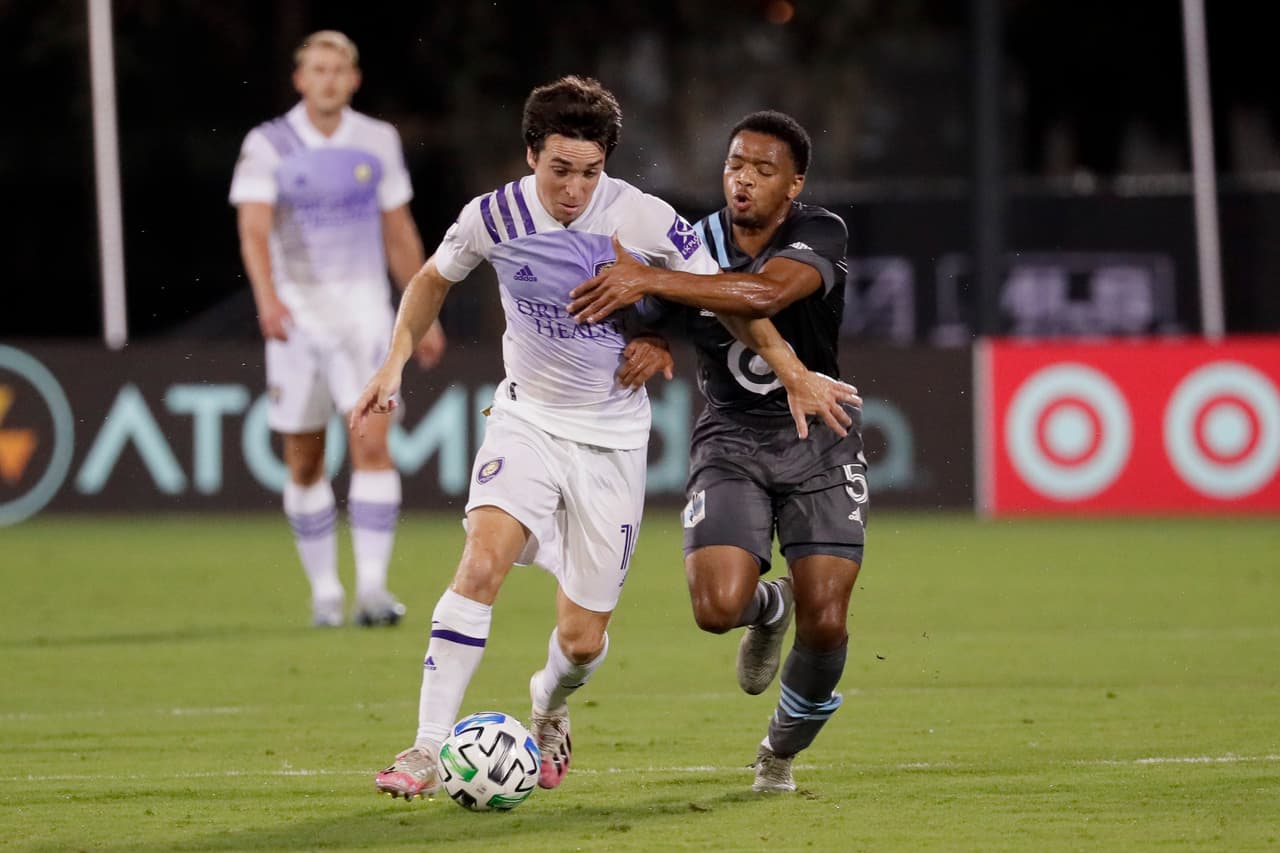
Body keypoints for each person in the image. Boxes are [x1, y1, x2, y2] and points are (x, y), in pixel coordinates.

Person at [350, 78, 859, 800]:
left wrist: (793, 372)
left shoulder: (644, 218)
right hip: (526, 417)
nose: (574, 189)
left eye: (590, 172)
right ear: (531, 156)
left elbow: (732, 302)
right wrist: (394, 357)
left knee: (583, 641)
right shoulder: (492, 215)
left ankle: (549, 705)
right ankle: (428, 746)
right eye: (560, 170)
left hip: (612, 438)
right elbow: (432, 280)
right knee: (481, 562)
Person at [568, 110, 867, 793]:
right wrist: (647, 338)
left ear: (794, 184)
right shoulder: (688, 241)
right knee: (715, 608)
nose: (744, 180)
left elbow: (761, 294)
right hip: (731, 438)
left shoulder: (819, 231)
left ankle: (779, 751)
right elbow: (643, 317)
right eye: (735, 164)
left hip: (818, 434)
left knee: (829, 619)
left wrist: (654, 279)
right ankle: (769, 607)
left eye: (764, 171)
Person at [229, 30, 446, 629]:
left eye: (338, 70)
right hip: (298, 319)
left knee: (373, 446)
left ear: (353, 79)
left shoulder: (377, 140)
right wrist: (268, 298)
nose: (327, 80)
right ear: (300, 79)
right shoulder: (268, 144)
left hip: (365, 317)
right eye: (317, 70)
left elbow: (398, 231)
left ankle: (372, 590)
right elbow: (253, 229)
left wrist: (419, 313)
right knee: (304, 460)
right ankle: (325, 591)